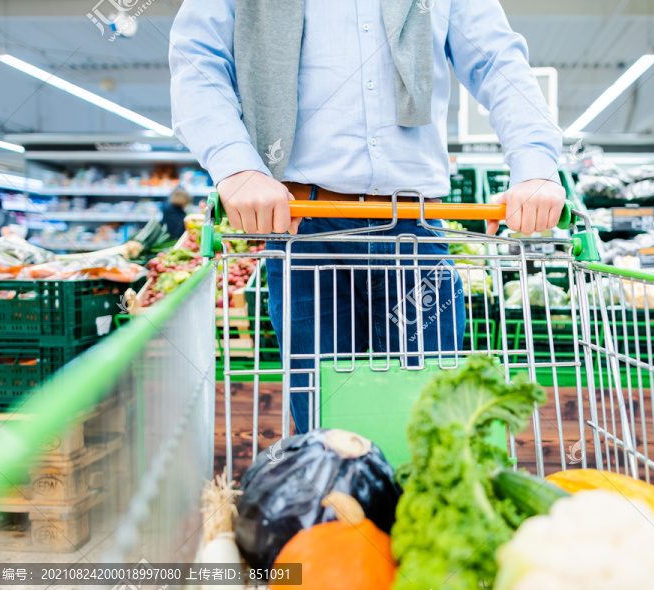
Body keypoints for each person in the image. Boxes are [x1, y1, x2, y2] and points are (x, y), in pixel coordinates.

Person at [170, 0, 565, 432]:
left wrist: (536, 167)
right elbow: (198, 57)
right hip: (303, 227)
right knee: (328, 438)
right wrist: (237, 166)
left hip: (415, 229)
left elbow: (496, 60)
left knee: (430, 433)